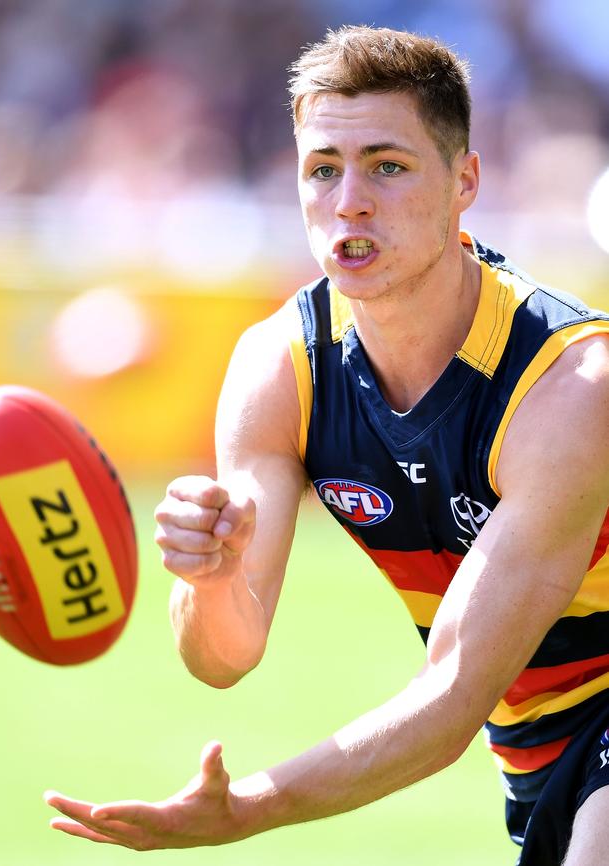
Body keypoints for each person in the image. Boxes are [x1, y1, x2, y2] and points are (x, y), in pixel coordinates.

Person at [44, 25, 609, 865]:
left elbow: (451, 700)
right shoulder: (280, 371)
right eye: (322, 169)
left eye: (387, 165)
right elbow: (224, 655)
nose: (349, 200)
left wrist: (246, 811)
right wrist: (211, 575)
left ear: (465, 183)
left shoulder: (570, 389)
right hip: (534, 742)